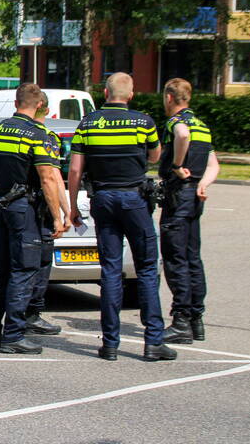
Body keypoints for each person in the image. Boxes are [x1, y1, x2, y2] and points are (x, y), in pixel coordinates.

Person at [68, 72, 174, 362]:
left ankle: (110, 344)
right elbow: (154, 157)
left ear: (105, 93)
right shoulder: (143, 122)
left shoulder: (88, 123)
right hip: (134, 200)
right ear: (131, 95)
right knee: (147, 269)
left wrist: (72, 206)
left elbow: (75, 169)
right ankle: (153, 342)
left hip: (102, 199)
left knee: (110, 271)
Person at [0, 83, 68, 354]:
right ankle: (14, 336)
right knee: (24, 271)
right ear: (39, 105)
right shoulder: (37, 134)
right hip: (24, 208)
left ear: (16, 102)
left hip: (0, 205)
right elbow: (47, 177)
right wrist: (57, 217)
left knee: (1, 270)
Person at [158, 78, 220, 344]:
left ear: (170, 98)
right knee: (193, 257)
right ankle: (196, 319)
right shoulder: (203, 127)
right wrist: (203, 183)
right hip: (195, 196)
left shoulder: (176, 122)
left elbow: (182, 135)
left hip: (178, 195)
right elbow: (214, 164)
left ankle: (180, 320)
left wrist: (176, 164)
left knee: (175, 258)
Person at [25, 92, 71, 336]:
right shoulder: (44, 137)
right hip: (38, 210)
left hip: (18, 208)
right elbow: (52, 178)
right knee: (41, 263)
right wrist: (61, 214)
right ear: (46, 109)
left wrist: (66, 211)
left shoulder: (10, 132)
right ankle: (32, 314)